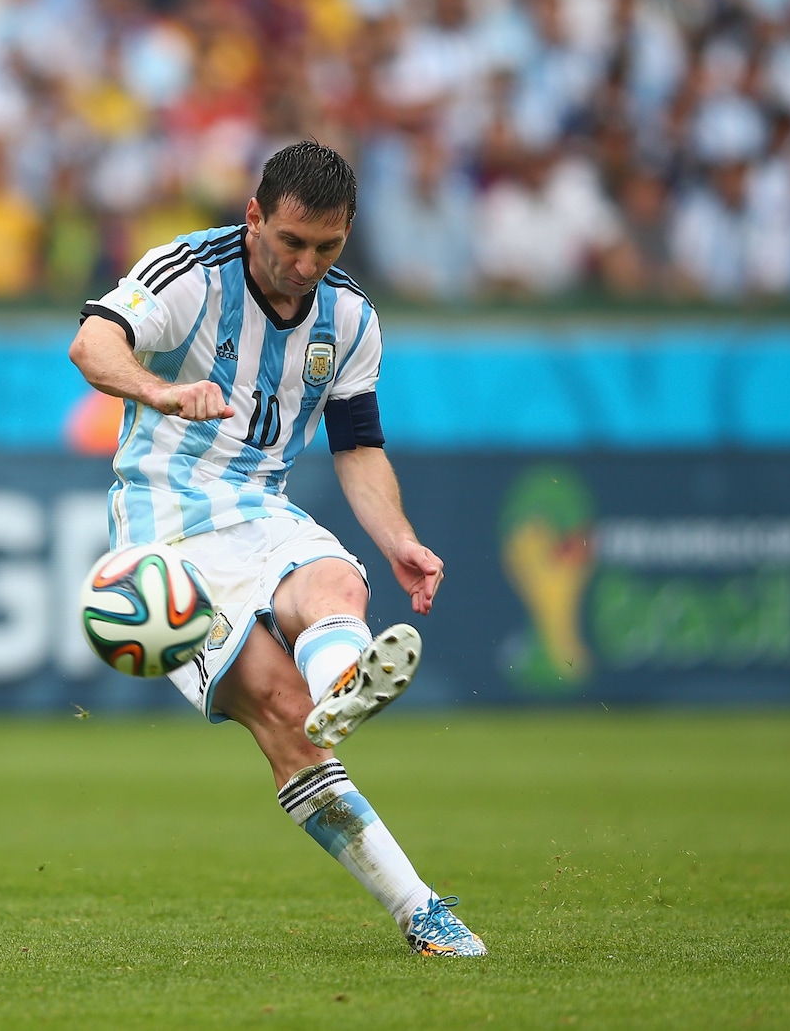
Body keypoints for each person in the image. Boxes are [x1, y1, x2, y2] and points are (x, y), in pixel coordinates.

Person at [67, 140, 486, 957]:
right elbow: (92, 343)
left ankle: (343, 684)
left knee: (338, 581)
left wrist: (398, 538)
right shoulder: (186, 273)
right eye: (291, 241)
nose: (305, 263)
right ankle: (418, 906)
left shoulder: (352, 317)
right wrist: (162, 390)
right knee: (286, 718)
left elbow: (358, 445)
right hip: (165, 535)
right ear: (254, 214)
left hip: (261, 508)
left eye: (327, 247)